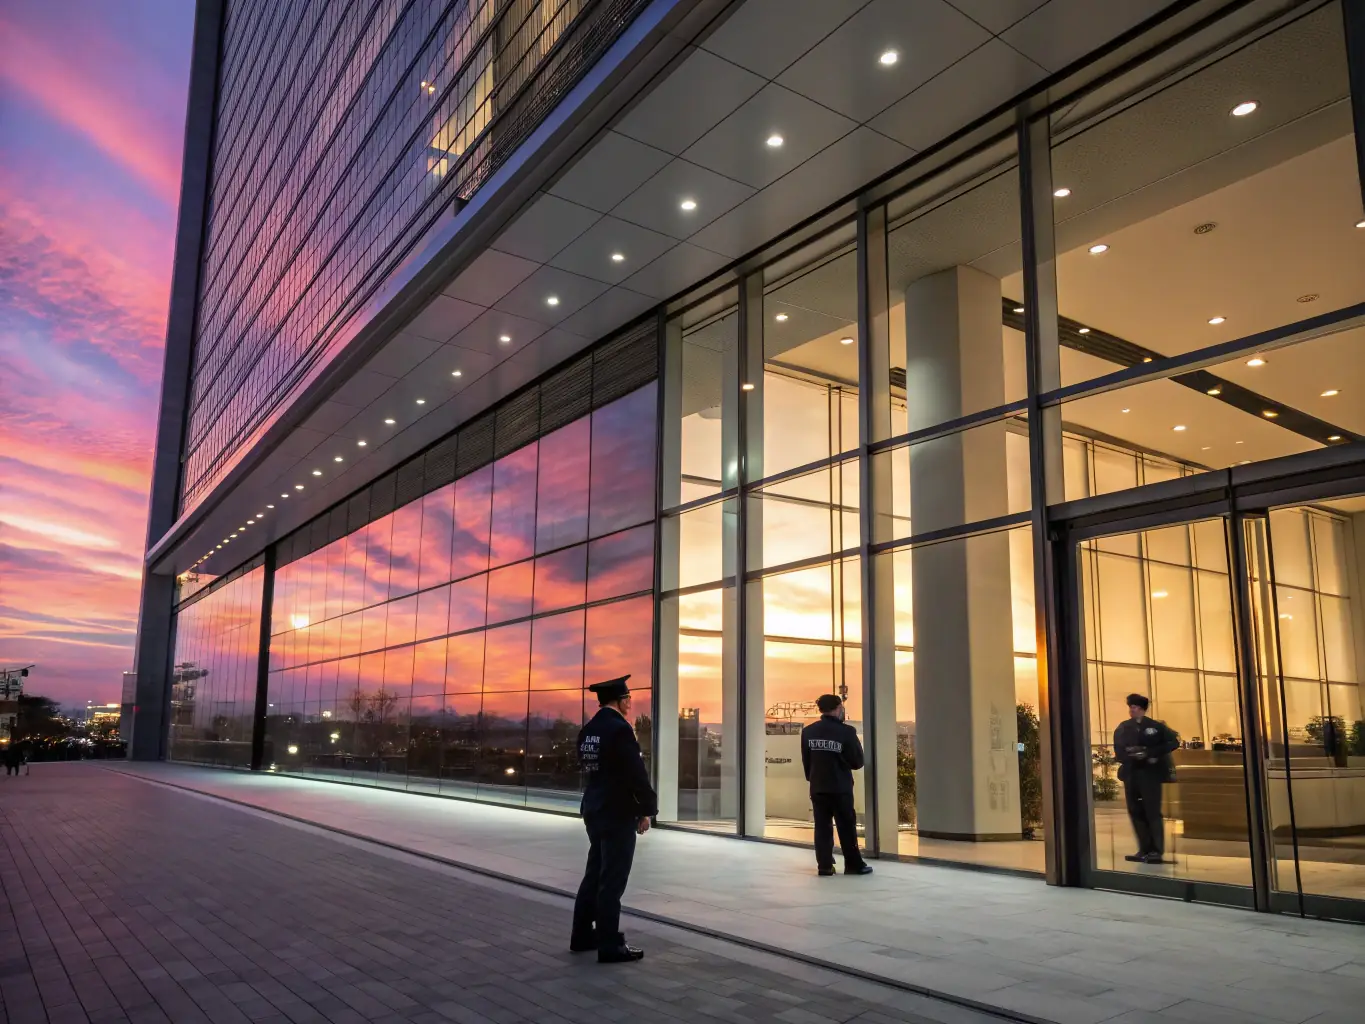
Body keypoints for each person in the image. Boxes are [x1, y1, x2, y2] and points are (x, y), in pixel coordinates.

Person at [570, 675, 657, 963]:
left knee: (594, 874)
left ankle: (582, 935)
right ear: (619, 700)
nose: (631, 702)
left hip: (594, 810)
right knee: (612, 880)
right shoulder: (620, 730)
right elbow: (635, 773)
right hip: (617, 812)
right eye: (628, 698)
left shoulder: (590, 729)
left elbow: (590, 768)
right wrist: (647, 809)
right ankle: (609, 945)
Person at [801, 694, 872, 877]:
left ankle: (824, 865)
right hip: (840, 788)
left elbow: (807, 762)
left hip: (818, 786)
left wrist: (814, 778)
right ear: (839, 708)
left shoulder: (808, 732)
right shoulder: (847, 732)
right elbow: (857, 762)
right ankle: (853, 864)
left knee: (822, 827)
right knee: (846, 826)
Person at [1113, 693, 1179, 864]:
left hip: (1150, 774)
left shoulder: (1155, 727)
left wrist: (1150, 753)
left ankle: (1156, 851)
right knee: (1135, 811)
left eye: (1134, 707)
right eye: (1130, 707)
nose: (1131, 710)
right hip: (1131, 773)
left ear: (1141, 709)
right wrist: (1130, 756)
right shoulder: (1124, 727)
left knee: (1152, 811)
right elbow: (1119, 750)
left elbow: (1173, 742)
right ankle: (1144, 849)